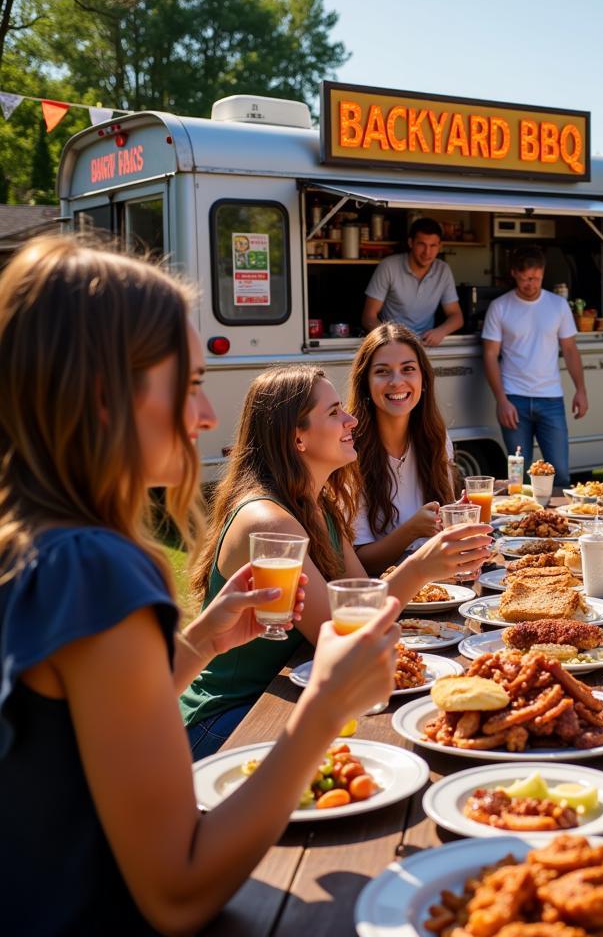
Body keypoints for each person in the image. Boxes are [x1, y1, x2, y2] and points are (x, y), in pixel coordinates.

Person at [0, 237, 402, 933]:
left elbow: (69, 737)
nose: (207, 417)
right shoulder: (94, 568)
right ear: (104, 395)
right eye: (188, 386)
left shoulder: (33, 544)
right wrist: (324, 709)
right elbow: (177, 892)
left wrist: (197, 644)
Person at [180, 363, 491, 758]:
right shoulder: (268, 519)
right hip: (229, 718)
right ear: (297, 438)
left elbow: (364, 596)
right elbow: (343, 631)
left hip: (286, 689)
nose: (352, 420)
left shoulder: (317, 506)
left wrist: (427, 564)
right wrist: (420, 567)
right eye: (334, 413)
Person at [345, 323, 457, 576]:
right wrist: (412, 530)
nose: (397, 382)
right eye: (383, 372)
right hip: (382, 595)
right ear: (365, 383)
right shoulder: (348, 451)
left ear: (423, 379)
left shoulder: (437, 438)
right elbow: (358, 564)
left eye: (408, 369)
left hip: (442, 585)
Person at [481, 246, 587, 488]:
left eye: (537, 278)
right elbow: (489, 355)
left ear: (543, 273)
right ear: (514, 274)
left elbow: (570, 350)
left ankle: (561, 522)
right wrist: (501, 400)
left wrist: (581, 389)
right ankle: (521, 523)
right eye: (526, 278)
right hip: (514, 399)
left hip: (551, 399)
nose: (532, 284)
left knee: (559, 473)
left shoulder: (558, 305)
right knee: (518, 477)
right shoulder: (500, 306)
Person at [361, 216, 463, 346]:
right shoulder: (388, 266)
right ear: (410, 243)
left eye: (433, 245)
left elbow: (456, 316)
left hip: (425, 345)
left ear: (440, 246)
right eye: (422, 244)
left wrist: (440, 331)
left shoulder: (443, 270)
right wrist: (390, 339)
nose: (427, 252)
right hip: (392, 344)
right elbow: (368, 317)